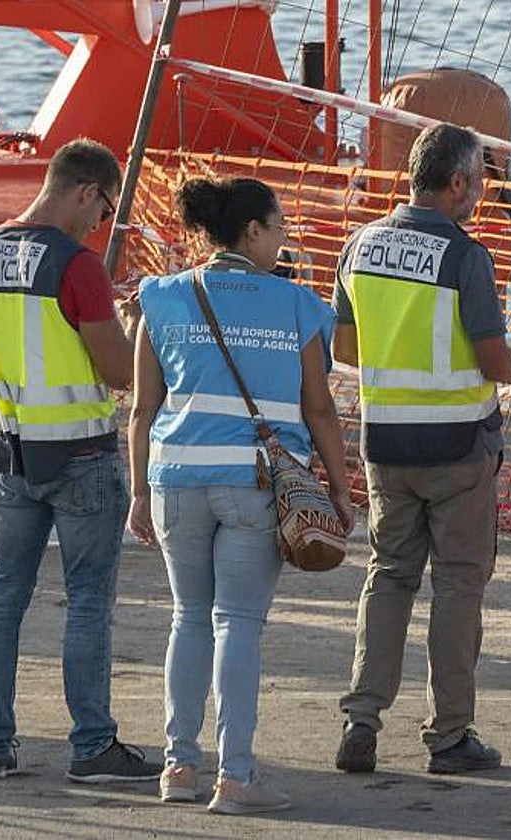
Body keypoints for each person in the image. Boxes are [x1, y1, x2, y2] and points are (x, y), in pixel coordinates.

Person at [127, 176, 355, 814]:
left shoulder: (162, 296)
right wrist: (338, 491)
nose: (284, 236)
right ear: (252, 231)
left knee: (188, 617)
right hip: (256, 484)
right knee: (239, 624)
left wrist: (138, 493)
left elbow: (143, 411)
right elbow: (321, 412)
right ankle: (237, 776)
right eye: (279, 224)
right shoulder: (297, 305)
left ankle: (178, 767)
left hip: (176, 478)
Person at [0, 138, 161, 783]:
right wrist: (132, 320)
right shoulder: (76, 265)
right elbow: (120, 372)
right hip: (80, 454)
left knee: (3, 592)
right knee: (89, 598)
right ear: (86, 191)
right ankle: (92, 745)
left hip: (9, 451)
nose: (101, 224)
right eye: (104, 211)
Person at [331, 122, 511, 776]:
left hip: (386, 445)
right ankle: (449, 734)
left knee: (388, 577)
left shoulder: (359, 245)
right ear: (458, 181)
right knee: (459, 587)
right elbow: (494, 357)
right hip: (460, 447)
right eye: (481, 180)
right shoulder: (465, 255)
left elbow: (346, 350)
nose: (483, 195)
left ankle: (362, 716)